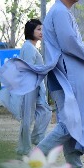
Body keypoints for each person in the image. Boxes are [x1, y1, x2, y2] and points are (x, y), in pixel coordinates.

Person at [0, 0, 84, 168]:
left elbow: (70, 42)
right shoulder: (59, 13)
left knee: (73, 123)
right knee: (67, 125)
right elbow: (69, 44)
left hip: (70, 75)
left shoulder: (63, 12)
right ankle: (30, 166)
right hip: (68, 77)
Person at [16, 18, 51, 156]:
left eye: (42, 29)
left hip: (35, 85)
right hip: (30, 86)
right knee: (28, 118)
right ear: (31, 31)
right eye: (38, 29)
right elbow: (28, 69)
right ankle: (24, 148)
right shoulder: (29, 48)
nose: (41, 32)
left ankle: (35, 137)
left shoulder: (30, 47)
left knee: (45, 112)